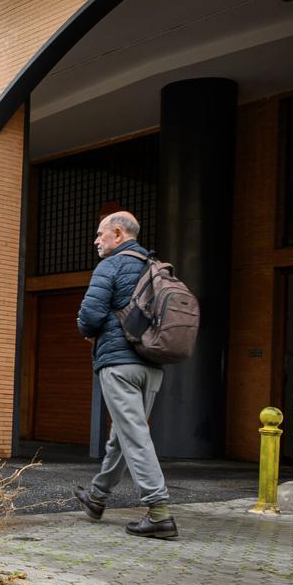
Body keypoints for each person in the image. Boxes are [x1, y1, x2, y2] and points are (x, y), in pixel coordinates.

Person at [72, 211, 177, 540]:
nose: (97, 241)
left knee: (133, 436)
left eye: (100, 234)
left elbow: (89, 315)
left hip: (119, 365)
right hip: (151, 365)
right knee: (122, 434)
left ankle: (159, 512)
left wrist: (89, 331)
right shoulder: (155, 266)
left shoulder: (111, 265)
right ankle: (98, 497)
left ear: (118, 234)